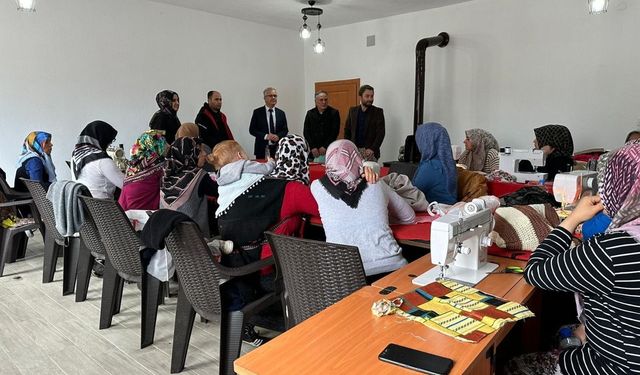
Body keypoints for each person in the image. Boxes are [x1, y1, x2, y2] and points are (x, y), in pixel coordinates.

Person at [518, 141, 640, 374]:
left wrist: (571, 220)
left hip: (618, 368)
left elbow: (535, 271)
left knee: (515, 365)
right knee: (566, 329)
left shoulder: (611, 251)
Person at [212, 140, 319, 346]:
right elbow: (324, 207)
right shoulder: (288, 188)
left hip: (234, 269)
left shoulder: (229, 187)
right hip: (267, 272)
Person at [311, 140, 415, 282]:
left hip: (345, 278)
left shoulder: (317, 187)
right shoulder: (376, 183)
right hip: (391, 269)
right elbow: (409, 217)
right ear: (357, 158)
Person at [160, 137, 217, 238]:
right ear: (189, 156)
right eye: (199, 151)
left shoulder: (164, 177)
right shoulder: (198, 177)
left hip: (171, 238)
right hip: (198, 240)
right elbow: (219, 190)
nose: (204, 154)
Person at [71, 121, 123, 199]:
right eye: (111, 140)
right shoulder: (102, 160)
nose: (110, 144)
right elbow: (125, 185)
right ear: (103, 138)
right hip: (108, 207)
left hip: (86, 207)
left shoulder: (76, 155)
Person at [118, 130, 168, 211]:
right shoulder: (159, 167)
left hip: (124, 214)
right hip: (142, 218)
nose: (167, 145)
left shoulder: (133, 165)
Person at [412, 122, 457, 205]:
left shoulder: (430, 166)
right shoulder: (448, 162)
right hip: (448, 208)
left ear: (426, 141)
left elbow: (413, 194)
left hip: (434, 211)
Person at [343, 85, 385, 161]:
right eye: (367, 96)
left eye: (372, 96)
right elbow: (347, 130)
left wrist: (372, 149)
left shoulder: (378, 112)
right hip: (354, 151)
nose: (370, 99)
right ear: (361, 96)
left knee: (369, 172)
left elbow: (380, 133)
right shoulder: (352, 111)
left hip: (370, 152)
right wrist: (348, 147)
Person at [249, 87, 288, 159]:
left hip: (278, 149)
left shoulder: (281, 113)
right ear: (265, 98)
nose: (273, 97)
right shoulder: (257, 112)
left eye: (275, 96)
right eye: (270, 96)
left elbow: (285, 130)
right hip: (262, 149)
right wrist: (266, 136)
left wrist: (278, 136)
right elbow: (252, 130)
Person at [303, 91, 340, 162]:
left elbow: (334, 132)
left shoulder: (334, 113)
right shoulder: (310, 113)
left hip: (329, 148)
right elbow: (306, 132)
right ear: (316, 101)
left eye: (325, 100)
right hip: (313, 150)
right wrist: (312, 147)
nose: (324, 102)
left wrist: (325, 146)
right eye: (321, 100)